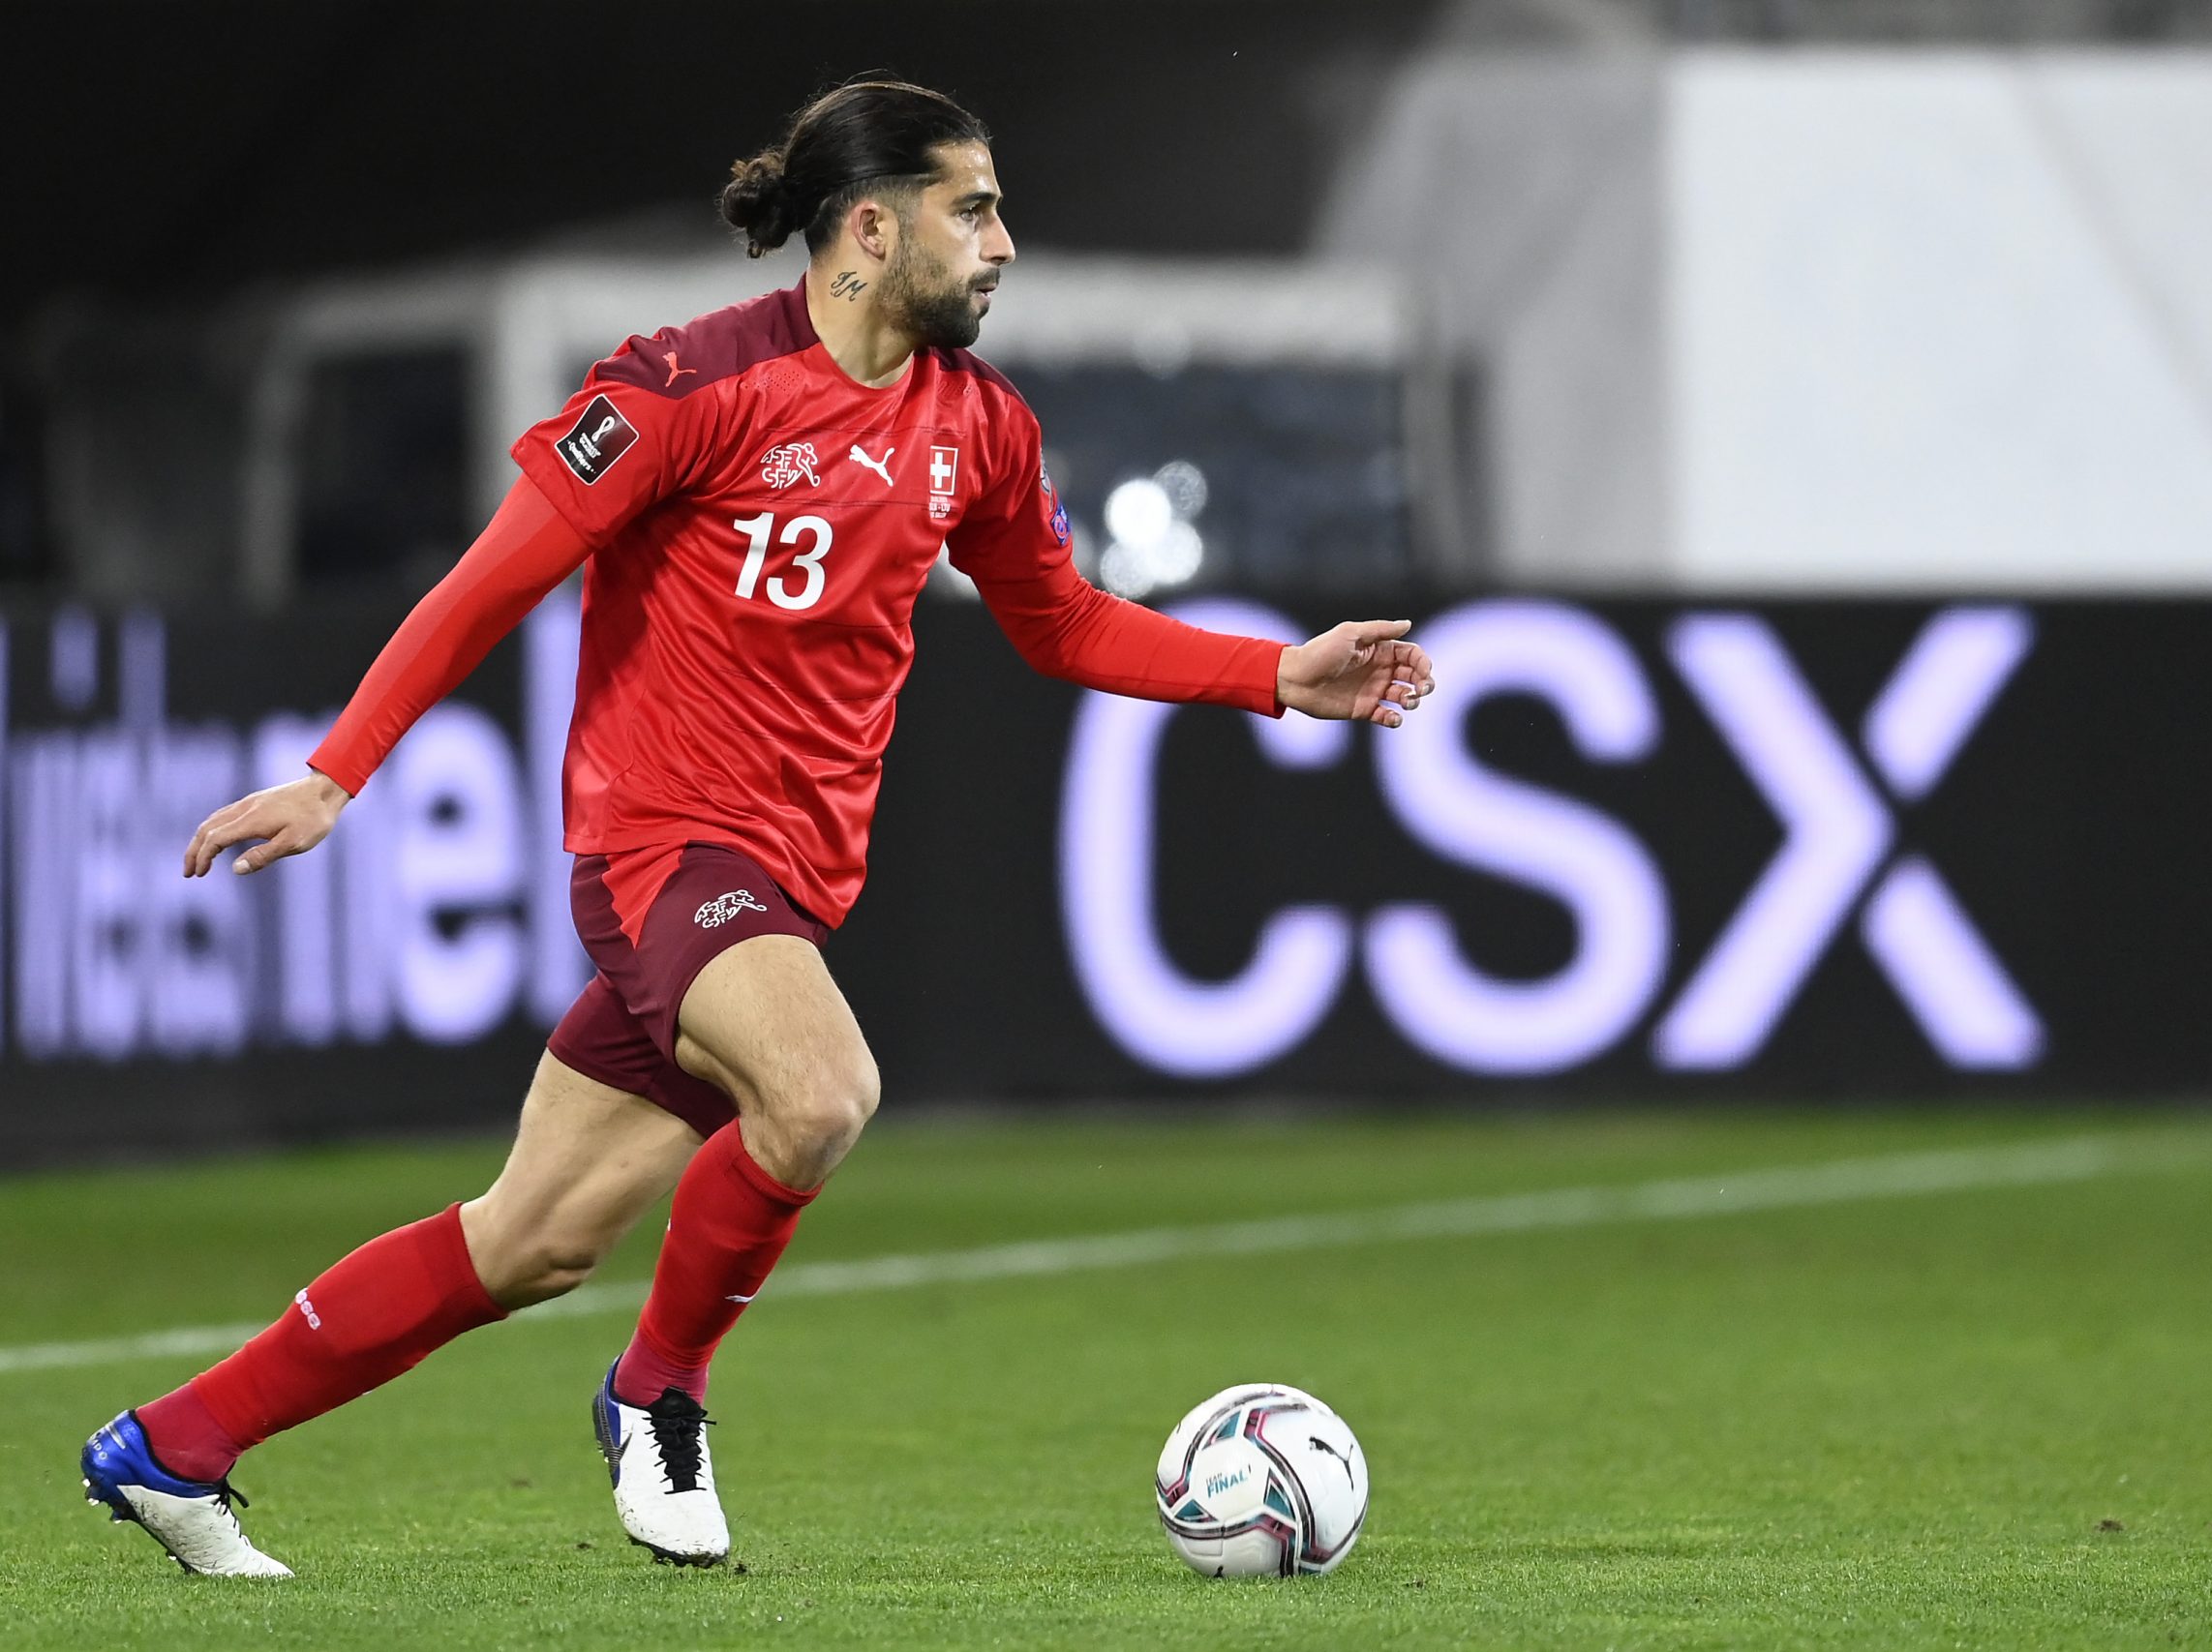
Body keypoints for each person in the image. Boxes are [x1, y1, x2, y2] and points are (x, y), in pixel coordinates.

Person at [78, 76, 1434, 1578]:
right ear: (872, 228)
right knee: (823, 1092)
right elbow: (489, 583)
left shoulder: (977, 425)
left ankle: (172, 1446)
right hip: (662, 850)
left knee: (532, 1239)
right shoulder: (685, 386)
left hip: (789, 880)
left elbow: (1058, 621)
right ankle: (657, 1395)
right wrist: (337, 773)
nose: (1002, 244)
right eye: (973, 210)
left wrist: (1274, 675)